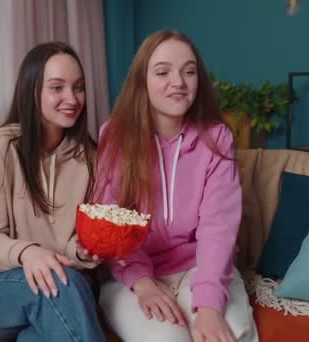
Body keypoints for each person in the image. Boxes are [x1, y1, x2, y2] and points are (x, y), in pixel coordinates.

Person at [95, 30, 259, 342]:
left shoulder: (217, 138)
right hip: (134, 276)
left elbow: (219, 227)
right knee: (166, 339)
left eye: (189, 71)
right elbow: (110, 223)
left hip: (202, 268)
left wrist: (209, 307)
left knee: (231, 335)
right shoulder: (114, 136)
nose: (179, 82)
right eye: (163, 72)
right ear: (142, 80)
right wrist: (142, 283)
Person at [0, 41, 106, 342]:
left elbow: (80, 238)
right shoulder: (0, 148)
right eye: (57, 88)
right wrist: (27, 253)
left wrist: (83, 249)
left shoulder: (91, 157)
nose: (72, 99)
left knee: (41, 331)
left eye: (78, 87)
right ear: (32, 91)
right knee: (62, 283)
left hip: (59, 287)